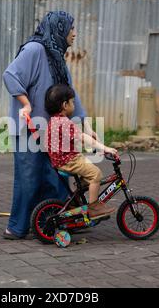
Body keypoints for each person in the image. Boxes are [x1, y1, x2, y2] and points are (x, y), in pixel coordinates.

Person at [2, 11, 94, 239]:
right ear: (59, 29)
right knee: (29, 178)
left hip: (54, 131)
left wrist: (86, 124)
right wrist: (25, 103)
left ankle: (59, 221)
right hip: (29, 130)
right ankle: (17, 227)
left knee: (58, 176)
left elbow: (70, 95)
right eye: (71, 28)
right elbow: (11, 75)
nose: (75, 33)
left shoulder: (56, 57)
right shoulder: (34, 50)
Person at [45, 84, 118, 218]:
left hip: (63, 160)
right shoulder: (64, 122)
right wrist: (105, 148)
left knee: (87, 175)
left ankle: (74, 202)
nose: (74, 105)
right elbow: (82, 138)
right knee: (95, 174)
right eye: (73, 102)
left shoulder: (54, 121)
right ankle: (94, 207)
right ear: (65, 105)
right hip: (68, 161)